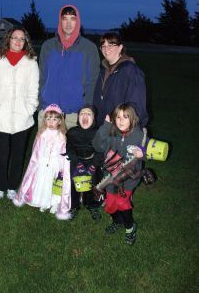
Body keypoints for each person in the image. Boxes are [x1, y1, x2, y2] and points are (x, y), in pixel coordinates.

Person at [0, 27, 39, 200]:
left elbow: (33, 91)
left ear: (25, 42)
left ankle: (13, 186)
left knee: (18, 154)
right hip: (0, 118)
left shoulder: (31, 63)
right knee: (0, 154)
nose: (18, 41)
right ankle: (1, 185)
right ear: (8, 40)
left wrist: (28, 110)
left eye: (21, 39)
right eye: (15, 37)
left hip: (23, 119)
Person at [93, 103, 148, 245]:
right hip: (111, 177)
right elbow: (97, 145)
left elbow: (149, 151)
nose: (121, 120)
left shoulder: (138, 134)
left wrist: (143, 154)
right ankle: (117, 221)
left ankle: (130, 228)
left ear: (133, 119)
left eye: (125, 117)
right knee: (110, 204)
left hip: (129, 179)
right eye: (118, 117)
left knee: (122, 203)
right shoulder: (111, 132)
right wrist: (105, 126)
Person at [38, 5, 100, 129]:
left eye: (72, 18)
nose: (68, 23)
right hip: (48, 113)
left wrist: (87, 109)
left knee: (69, 149)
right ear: (60, 21)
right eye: (64, 18)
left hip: (74, 116)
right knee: (44, 148)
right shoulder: (48, 46)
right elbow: (42, 77)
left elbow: (92, 82)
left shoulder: (89, 48)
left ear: (78, 21)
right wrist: (41, 104)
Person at [13, 104, 71, 220]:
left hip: (55, 165)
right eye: (48, 119)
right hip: (42, 163)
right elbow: (36, 151)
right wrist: (37, 163)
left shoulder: (62, 137)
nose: (51, 122)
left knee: (53, 184)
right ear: (45, 120)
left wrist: (61, 167)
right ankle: (42, 201)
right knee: (42, 182)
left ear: (60, 121)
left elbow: (63, 153)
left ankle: (54, 202)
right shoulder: (41, 135)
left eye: (54, 119)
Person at [93, 33, 148, 127]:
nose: (106, 49)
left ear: (120, 47)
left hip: (120, 129)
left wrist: (127, 129)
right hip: (103, 127)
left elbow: (137, 105)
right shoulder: (102, 71)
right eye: (103, 46)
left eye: (111, 45)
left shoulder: (130, 70)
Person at [66, 105, 103, 221]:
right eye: (82, 113)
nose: (85, 115)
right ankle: (74, 206)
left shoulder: (98, 133)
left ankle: (92, 205)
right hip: (77, 160)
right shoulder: (72, 132)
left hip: (92, 161)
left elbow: (101, 151)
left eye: (89, 114)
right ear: (78, 117)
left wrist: (93, 165)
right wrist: (77, 163)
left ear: (94, 119)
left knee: (93, 183)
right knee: (73, 183)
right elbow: (69, 148)